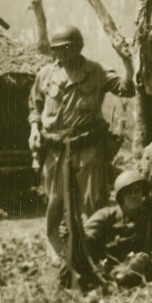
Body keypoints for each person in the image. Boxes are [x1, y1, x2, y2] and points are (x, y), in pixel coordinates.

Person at [29, 24, 135, 272]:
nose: (63, 54)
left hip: (88, 147)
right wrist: (34, 129)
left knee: (94, 202)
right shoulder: (45, 75)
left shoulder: (95, 71)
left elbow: (126, 89)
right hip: (55, 149)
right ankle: (57, 256)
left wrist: (127, 63)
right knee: (55, 203)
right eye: (58, 49)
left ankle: (98, 252)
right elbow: (34, 106)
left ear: (78, 48)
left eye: (68, 48)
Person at [83, 170, 152, 287]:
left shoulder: (147, 219)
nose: (133, 196)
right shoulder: (106, 216)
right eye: (128, 192)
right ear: (121, 196)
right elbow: (86, 236)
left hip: (137, 268)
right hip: (107, 269)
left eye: (137, 191)